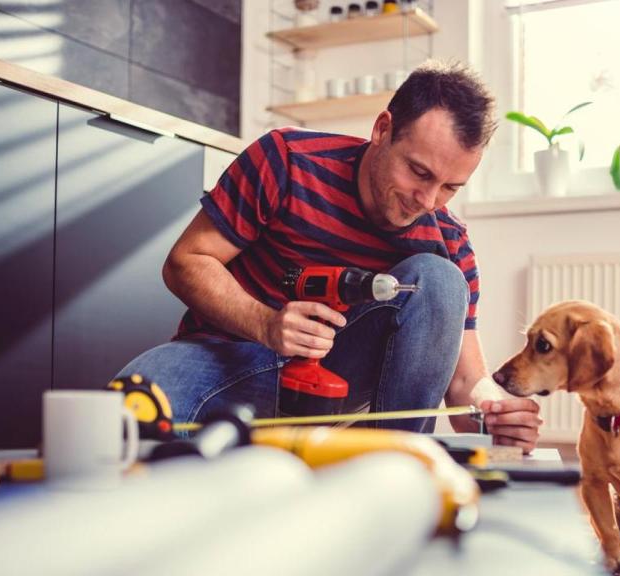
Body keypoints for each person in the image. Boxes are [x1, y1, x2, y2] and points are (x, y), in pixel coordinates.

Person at [116, 61, 541, 452]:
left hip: (338, 387)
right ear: (382, 129)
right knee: (128, 412)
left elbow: (466, 380)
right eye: (419, 172)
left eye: (451, 187)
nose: (428, 200)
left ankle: (391, 465)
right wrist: (265, 324)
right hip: (227, 358)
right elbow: (186, 260)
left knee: (440, 278)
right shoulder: (287, 160)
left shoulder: (447, 238)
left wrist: (493, 416)